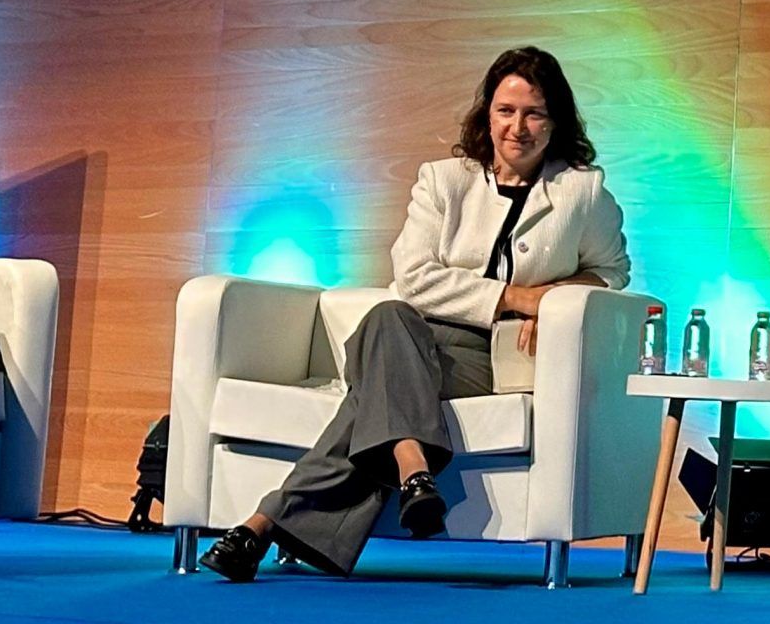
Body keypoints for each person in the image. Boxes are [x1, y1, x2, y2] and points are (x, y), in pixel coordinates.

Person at [199, 46, 629, 581]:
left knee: (376, 383)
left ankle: (264, 523)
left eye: (533, 113)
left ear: (555, 120)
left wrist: (560, 299)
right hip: (411, 334)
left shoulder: (582, 193)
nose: (517, 127)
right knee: (389, 315)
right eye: (505, 111)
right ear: (487, 115)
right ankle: (411, 468)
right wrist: (519, 298)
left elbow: (612, 271)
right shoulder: (444, 180)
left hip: (483, 358)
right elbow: (414, 278)